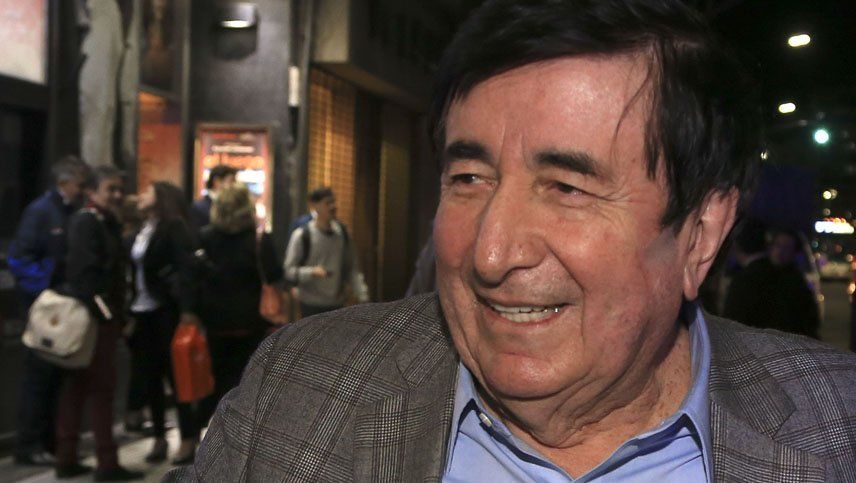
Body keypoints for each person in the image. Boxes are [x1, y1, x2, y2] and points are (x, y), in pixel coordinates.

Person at [168, 1, 856, 481]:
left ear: (701, 235)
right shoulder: (299, 390)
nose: (491, 253)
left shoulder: (837, 428)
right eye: (468, 178)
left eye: (567, 187)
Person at [55, 166, 142, 480]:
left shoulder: (102, 221)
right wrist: (109, 316)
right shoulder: (88, 222)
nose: (117, 195)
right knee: (99, 389)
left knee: (79, 388)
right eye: (110, 189)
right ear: (92, 192)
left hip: (95, 318)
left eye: (119, 189)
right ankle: (106, 462)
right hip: (93, 321)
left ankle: (69, 457)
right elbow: (87, 275)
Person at [191, 184, 283, 455]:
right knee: (246, 382)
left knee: (215, 380)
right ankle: (237, 442)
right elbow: (275, 274)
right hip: (251, 321)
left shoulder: (206, 237)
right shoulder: (258, 238)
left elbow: (193, 277)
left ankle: (195, 434)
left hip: (216, 322)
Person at [9, 155, 89, 466]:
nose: (83, 189)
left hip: (64, 311)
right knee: (38, 379)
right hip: (45, 311)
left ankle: (49, 442)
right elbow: (20, 259)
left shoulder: (71, 212)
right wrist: (45, 289)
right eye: (79, 183)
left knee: (56, 381)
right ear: (64, 182)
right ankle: (28, 445)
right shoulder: (41, 212)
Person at [126, 181, 200, 464]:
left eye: (147, 191)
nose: (140, 195)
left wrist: (187, 309)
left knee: (177, 374)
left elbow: (186, 269)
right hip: (141, 310)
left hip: (165, 310)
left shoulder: (173, 227)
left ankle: (188, 438)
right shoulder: (141, 229)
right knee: (150, 376)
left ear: (160, 198)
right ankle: (159, 437)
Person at [283, 187, 369, 316]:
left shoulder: (343, 233)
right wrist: (311, 272)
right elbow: (289, 271)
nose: (333, 206)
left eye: (334, 202)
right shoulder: (302, 235)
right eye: (327, 203)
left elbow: (352, 268)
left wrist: (363, 295)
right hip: (310, 303)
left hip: (337, 303)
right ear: (315, 206)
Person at [724, 227, 821, 337]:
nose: (780, 251)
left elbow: (809, 320)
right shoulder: (758, 275)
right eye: (777, 245)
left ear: (794, 253)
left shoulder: (797, 282)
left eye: (786, 248)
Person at [188, 164, 237, 233]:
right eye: (231, 181)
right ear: (217, 181)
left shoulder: (234, 206)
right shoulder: (198, 207)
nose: (234, 186)